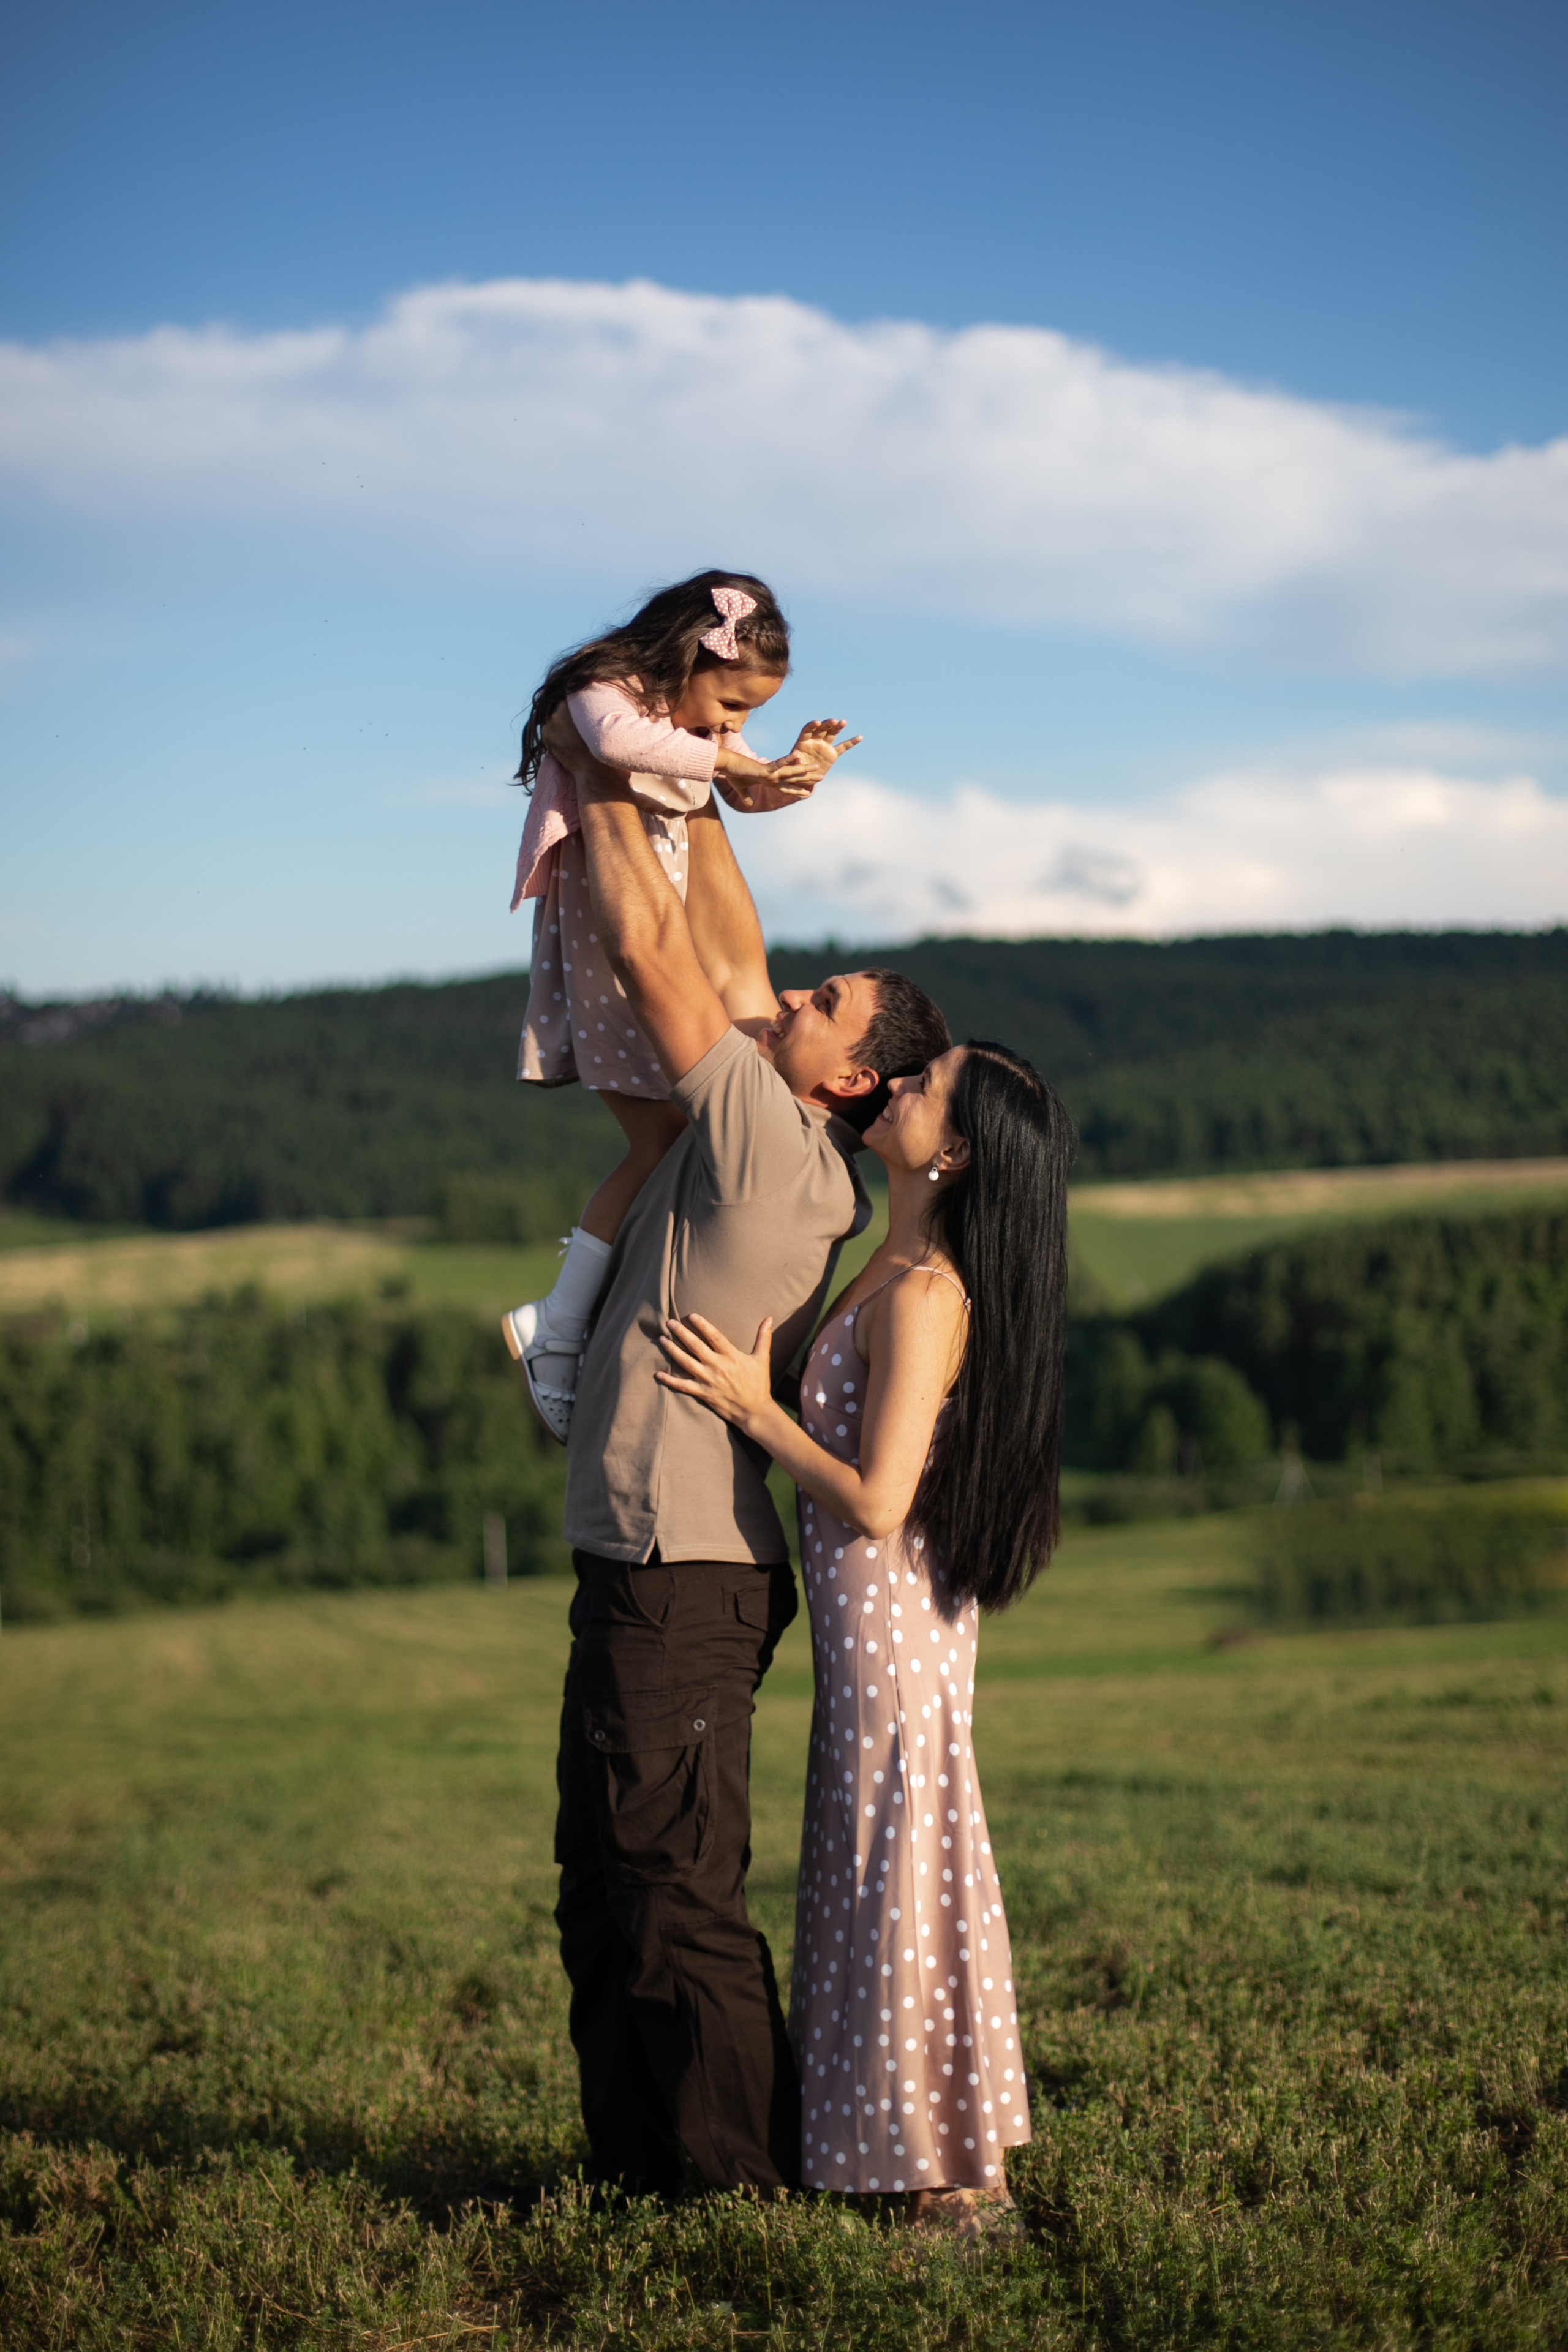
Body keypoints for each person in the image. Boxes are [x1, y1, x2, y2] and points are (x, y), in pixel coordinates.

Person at [542, 721, 952, 2199]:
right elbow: (730, 952)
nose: (785, 998)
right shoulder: (767, 1124)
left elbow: (662, 952)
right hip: (639, 1560)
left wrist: (602, 762)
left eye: (823, 1008)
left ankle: (740, 2190)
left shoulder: (771, 1146)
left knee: (673, 1892)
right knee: (603, 1890)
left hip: (687, 1574)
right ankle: (633, 2177)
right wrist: (708, 778)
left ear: (849, 1083)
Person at [655, 1038, 1074, 2237]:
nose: (896, 1086)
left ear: (953, 1153)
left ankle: (949, 2173)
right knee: (877, 1862)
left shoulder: (929, 1295)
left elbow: (881, 1498)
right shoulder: (890, 1263)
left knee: (898, 1867)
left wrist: (755, 1410)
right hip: (873, 1628)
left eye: (923, 1087)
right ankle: (903, 2151)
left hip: (893, 1625)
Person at [503, 571, 859, 1440]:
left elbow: (735, 790)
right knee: (659, 1142)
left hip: (673, 917)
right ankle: (558, 1326)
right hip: (614, 932)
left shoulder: (695, 725)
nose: (732, 726)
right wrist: (737, 758)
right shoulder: (605, 692)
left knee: (676, 1142)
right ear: (688, 656)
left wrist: (787, 777)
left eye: (747, 715)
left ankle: (573, 1318)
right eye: (731, 703)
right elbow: (618, 744)